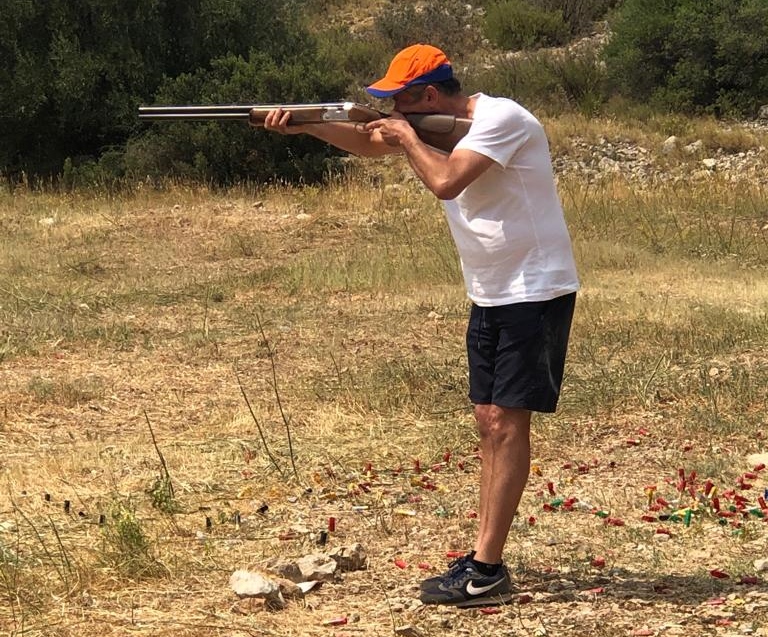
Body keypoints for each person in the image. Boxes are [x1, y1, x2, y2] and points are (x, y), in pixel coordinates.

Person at [262, 44, 580, 608]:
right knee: (488, 419)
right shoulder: (436, 124)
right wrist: (307, 126)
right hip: (490, 290)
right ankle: (484, 555)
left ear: (429, 96)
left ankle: (486, 569)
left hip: (532, 289)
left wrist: (406, 136)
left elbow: (447, 182)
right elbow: (366, 143)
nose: (389, 109)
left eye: (398, 100)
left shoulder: (502, 118)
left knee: (506, 423)